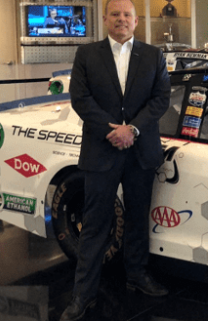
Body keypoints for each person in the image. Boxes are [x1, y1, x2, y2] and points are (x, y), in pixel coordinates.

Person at [61, 0, 171, 320]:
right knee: (95, 224)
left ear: (136, 21)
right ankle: (83, 294)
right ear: (106, 20)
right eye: (115, 14)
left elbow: (160, 98)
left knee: (138, 218)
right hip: (102, 149)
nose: (121, 19)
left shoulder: (153, 55)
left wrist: (132, 129)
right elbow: (80, 99)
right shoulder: (87, 55)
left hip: (141, 150)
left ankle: (137, 275)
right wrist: (113, 131)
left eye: (127, 15)